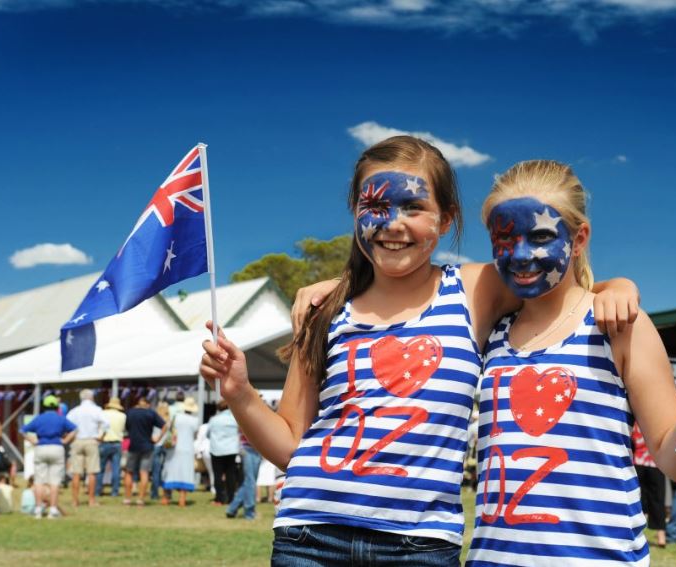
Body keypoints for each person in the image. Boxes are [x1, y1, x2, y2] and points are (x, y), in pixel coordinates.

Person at [201, 137, 640, 566]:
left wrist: (617, 287)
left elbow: (549, 280)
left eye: (413, 207)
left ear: (446, 219)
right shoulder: (324, 311)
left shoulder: (474, 290)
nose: (393, 223)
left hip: (421, 546)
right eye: (376, 207)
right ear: (356, 212)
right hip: (309, 536)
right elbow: (290, 445)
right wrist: (240, 393)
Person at [462, 160, 676, 566]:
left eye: (542, 236)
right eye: (504, 240)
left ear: (579, 238)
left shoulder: (620, 325)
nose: (521, 255)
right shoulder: (491, 330)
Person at [20, 394, 77, 519]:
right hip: (57, 448)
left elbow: (22, 430)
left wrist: (33, 441)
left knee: (39, 481)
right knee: (55, 482)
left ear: (43, 406)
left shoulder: (39, 418)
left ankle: (38, 509)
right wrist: (66, 440)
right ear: (57, 406)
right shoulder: (60, 418)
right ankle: (53, 509)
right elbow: (74, 429)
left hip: (41, 448)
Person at [66, 389, 109, 507]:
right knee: (92, 472)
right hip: (91, 440)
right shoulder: (97, 410)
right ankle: (91, 500)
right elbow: (106, 424)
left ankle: (75, 501)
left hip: (77, 440)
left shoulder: (74, 411)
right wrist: (101, 436)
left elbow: (67, 424)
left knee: (76, 473)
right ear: (92, 398)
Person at [124, 396, 167, 506]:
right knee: (144, 472)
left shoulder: (130, 412)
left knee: (129, 471)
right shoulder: (151, 413)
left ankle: (127, 498)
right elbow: (164, 425)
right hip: (147, 445)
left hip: (133, 445)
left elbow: (127, 427)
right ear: (148, 404)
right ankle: (141, 499)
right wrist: (158, 438)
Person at [632, 422, 667, 548]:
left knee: (638, 498)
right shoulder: (656, 419)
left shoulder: (635, 419)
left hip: (641, 461)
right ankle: (661, 535)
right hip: (653, 462)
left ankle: (642, 533)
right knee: (656, 499)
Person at [161, 396, 200, 507]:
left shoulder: (175, 417)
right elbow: (195, 435)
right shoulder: (195, 421)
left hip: (174, 448)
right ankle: (182, 500)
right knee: (185, 473)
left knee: (169, 471)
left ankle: (165, 498)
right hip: (187, 449)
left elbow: (167, 428)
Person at [207, 399, 239, 505]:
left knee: (217, 475)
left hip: (216, 450)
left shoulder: (214, 420)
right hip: (231, 450)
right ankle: (231, 498)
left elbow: (207, 434)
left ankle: (219, 498)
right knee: (231, 475)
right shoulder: (234, 419)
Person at [226, 432, 261, 520]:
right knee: (250, 481)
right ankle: (249, 513)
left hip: (258, 449)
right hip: (247, 448)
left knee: (249, 482)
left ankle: (232, 509)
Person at [96, 396, 126, 497]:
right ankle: (115, 491)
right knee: (116, 469)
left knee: (100, 468)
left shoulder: (103, 414)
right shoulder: (123, 416)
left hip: (105, 442)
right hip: (117, 443)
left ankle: (97, 490)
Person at [150, 401, 170, 501]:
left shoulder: (154, 418)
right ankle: (166, 493)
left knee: (156, 471)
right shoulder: (169, 419)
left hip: (156, 445)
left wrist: (155, 438)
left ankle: (154, 493)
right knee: (166, 471)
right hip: (166, 446)